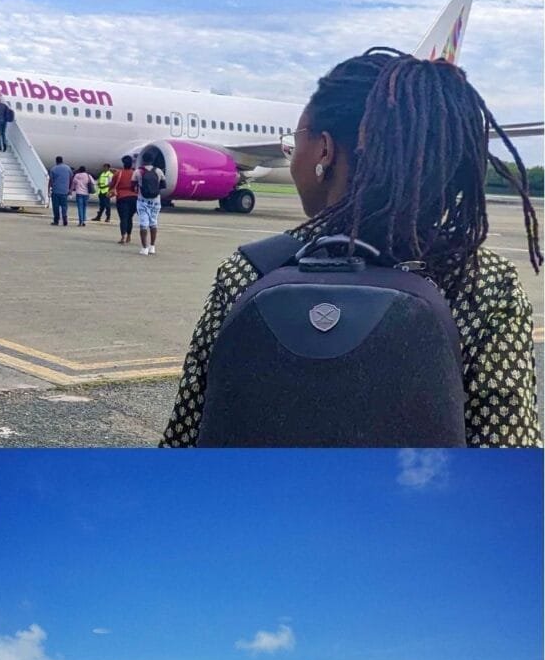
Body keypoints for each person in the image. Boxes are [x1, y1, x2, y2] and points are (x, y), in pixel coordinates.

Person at [161, 49, 542, 448]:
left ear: (324, 150)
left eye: (297, 141)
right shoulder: (483, 283)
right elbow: (505, 455)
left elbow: (183, 443)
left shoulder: (250, 271)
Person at [133, 151, 166, 255]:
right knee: (153, 222)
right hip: (156, 201)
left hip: (142, 200)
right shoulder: (159, 171)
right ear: (152, 160)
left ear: (143, 160)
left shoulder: (138, 171)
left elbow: (132, 185)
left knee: (143, 224)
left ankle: (144, 248)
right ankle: (152, 246)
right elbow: (163, 185)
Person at [110, 155, 138, 245]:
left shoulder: (119, 173)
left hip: (122, 198)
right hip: (134, 198)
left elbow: (112, 184)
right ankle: (129, 236)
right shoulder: (135, 173)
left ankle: (123, 237)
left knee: (123, 218)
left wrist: (109, 192)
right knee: (130, 218)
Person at [48, 156, 73, 225]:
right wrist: (70, 189)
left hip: (56, 191)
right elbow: (71, 179)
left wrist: (49, 191)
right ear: (62, 160)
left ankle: (56, 220)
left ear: (56, 161)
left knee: (56, 207)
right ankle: (64, 218)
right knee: (64, 206)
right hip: (65, 191)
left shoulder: (53, 169)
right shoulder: (68, 168)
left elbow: (51, 181)